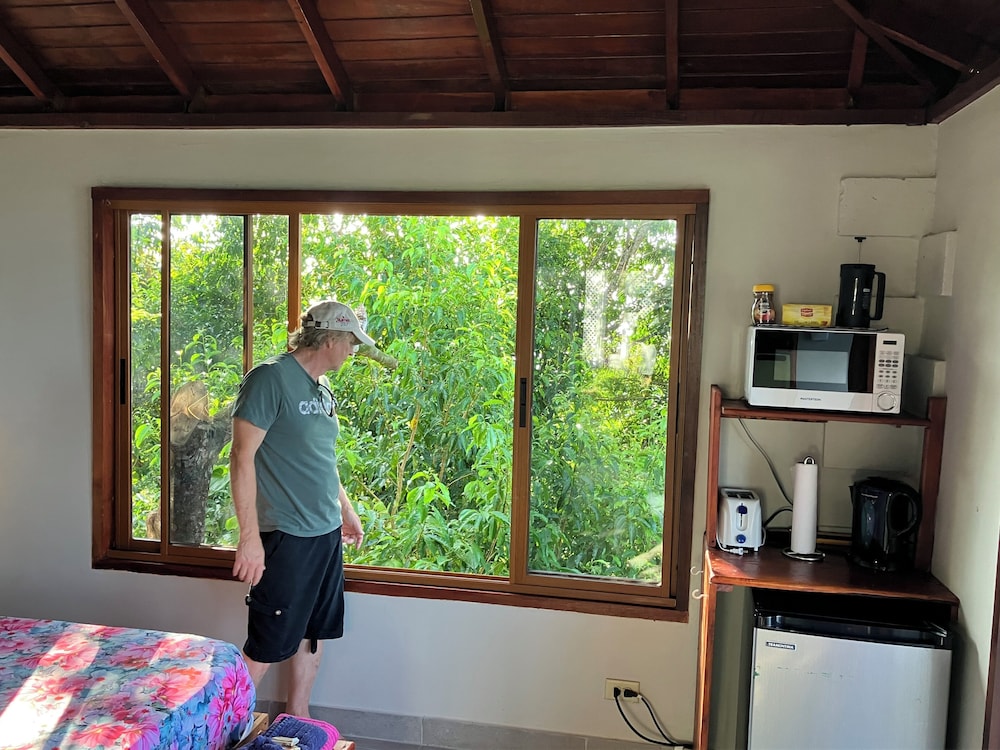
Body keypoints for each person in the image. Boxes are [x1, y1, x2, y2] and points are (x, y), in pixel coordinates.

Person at [230, 299, 372, 717]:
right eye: (351, 342)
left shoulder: (322, 387)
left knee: (312, 633)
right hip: (287, 535)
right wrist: (249, 539)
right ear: (329, 339)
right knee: (268, 640)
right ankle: (217, 731)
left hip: (324, 533)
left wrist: (344, 508)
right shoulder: (269, 379)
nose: (353, 351)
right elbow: (241, 457)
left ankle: (298, 717)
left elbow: (321, 457)